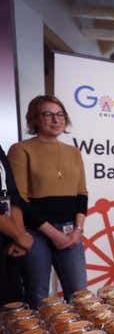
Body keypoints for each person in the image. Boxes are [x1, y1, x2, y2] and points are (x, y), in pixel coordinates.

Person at [8, 95, 88, 308]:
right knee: (38, 296)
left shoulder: (74, 153)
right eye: (48, 114)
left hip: (71, 233)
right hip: (35, 233)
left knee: (79, 295)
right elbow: (19, 199)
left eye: (60, 114)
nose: (56, 119)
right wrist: (53, 234)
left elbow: (81, 195)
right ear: (35, 119)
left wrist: (78, 230)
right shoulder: (20, 150)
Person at [0, 145, 33, 304]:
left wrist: (18, 237)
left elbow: (12, 195)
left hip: (8, 242)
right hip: (9, 233)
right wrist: (19, 235)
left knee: (14, 305)